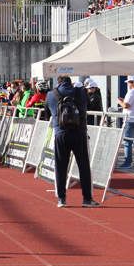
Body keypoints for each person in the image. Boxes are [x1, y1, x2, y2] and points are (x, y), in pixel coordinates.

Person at [46, 76, 99, 208]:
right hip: (79, 133)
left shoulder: (51, 94)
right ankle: (87, 199)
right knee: (84, 167)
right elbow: (88, 104)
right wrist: (79, 87)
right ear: (71, 82)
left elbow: (48, 113)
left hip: (60, 134)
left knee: (60, 167)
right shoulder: (79, 92)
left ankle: (62, 199)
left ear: (58, 82)